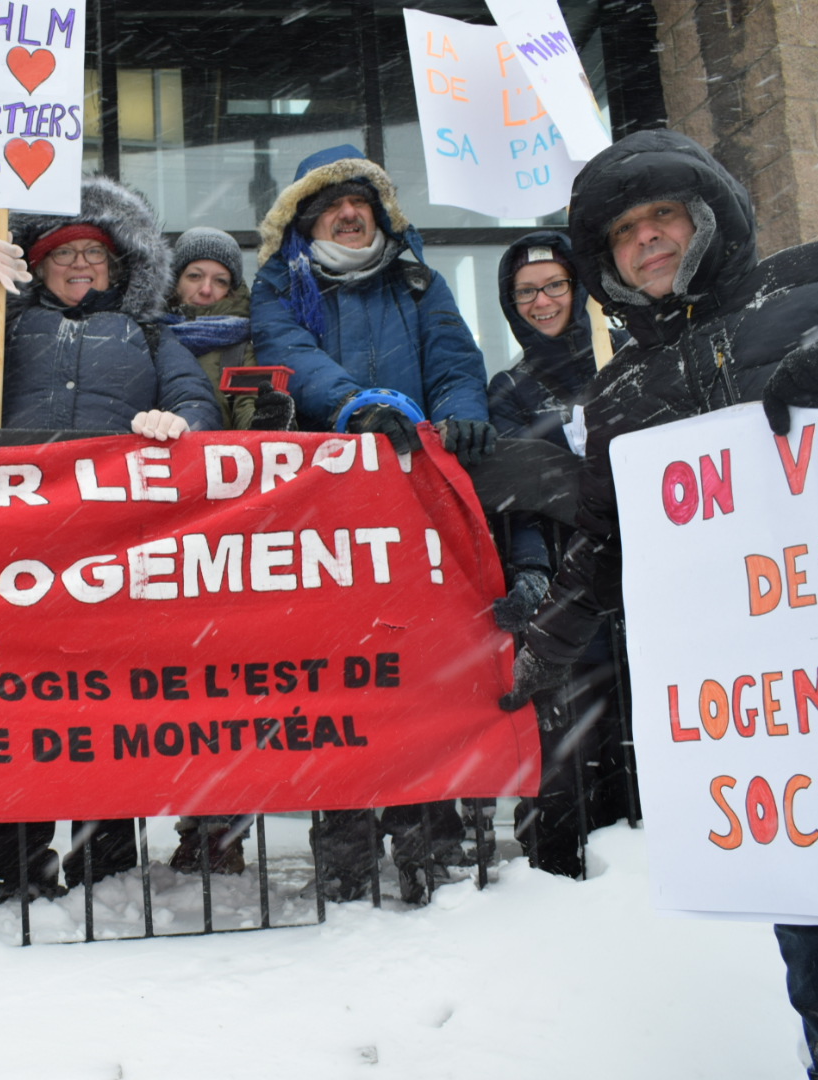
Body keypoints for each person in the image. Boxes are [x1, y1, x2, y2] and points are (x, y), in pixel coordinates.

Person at [499, 129, 818, 1080]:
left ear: (708, 213)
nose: (647, 241)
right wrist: (540, 649)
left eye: (662, 214)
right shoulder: (621, 392)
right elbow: (604, 543)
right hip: (774, 722)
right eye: (623, 233)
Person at [0, 175, 221, 902]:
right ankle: (21, 870)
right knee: (17, 707)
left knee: (105, 704)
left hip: (111, 544)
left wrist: (180, 424)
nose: (81, 266)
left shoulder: (147, 334)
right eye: (64, 255)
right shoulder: (7, 322)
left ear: (119, 269)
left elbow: (196, 400)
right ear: (40, 266)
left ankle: (109, 865)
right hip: (18, 542)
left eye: (96, 256)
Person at [250, 144, 497, 905]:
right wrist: (358, 403)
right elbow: (290, 355)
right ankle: (346, 850)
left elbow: (455, 358)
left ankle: (428, 835)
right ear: (307, 222)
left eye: (360, 204)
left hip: (416, 499)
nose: (349, 215)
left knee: (420, 670)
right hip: (329, 513)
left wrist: (462, 416)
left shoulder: (417, 281)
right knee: (339, 675)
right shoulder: (280, 287)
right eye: (332, 207)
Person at [488, 232, 635, 878]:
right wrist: (531, 569)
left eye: (554, 285)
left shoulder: (627, 357)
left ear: (579, 289)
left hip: (649, 583)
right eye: (525, 292)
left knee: (645, 743)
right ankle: (563, 877)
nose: (542, 301)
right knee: (569, 752)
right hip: (569, 584)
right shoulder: (512, 389)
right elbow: (518, 495)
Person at [160, 226, 294, 435]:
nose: (205, 289)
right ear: (175, 283)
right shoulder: (147, 338)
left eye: (220, 281)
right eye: (194, 276)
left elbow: (248, 407)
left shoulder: (242, 351)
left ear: (231, 289)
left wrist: (267, 421)